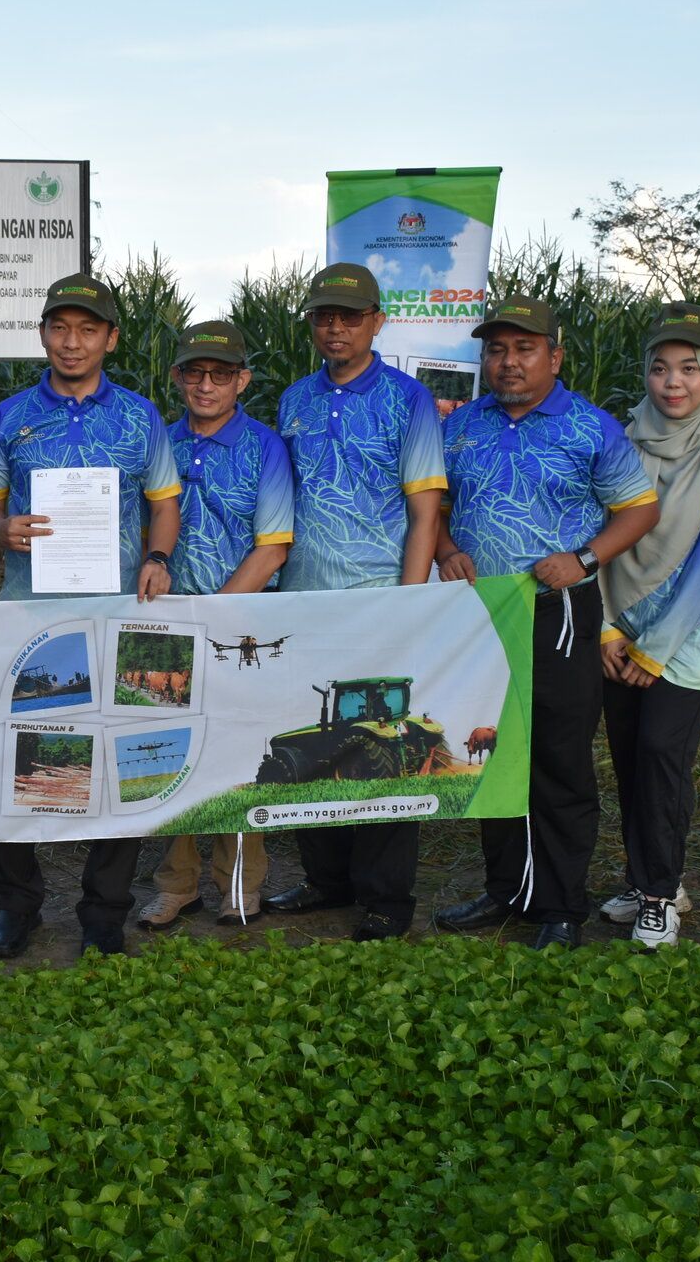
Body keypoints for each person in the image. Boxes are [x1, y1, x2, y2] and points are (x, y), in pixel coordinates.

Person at [430, 296, 660, 950]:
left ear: (554, 357)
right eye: (497, 350)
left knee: (558, 759)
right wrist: (447, 550)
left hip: (558, 612)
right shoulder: (463, 425)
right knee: (491, 751)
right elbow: (436, 504)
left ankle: (560, 904)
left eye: (524, 349)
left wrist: (584, 557)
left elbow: (640, 510)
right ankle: (506, 890)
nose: (509, 362)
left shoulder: (590, 427)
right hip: (482, 611)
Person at [0, 272, 182, 957]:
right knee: (20, 762)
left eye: (88, 329)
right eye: (60, 328)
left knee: (120, 762)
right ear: (42, 335)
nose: (72, 341)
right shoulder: (8, 416)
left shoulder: (140, 416)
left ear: (111, 339)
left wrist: (156, 556)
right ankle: (19, 906)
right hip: (28, 613)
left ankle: (102, 916)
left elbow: (165, 502)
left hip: (119, 611)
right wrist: (1, 531)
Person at [258, 262, 446, 943]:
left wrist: (407, 601)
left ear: (377, 321)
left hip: (377, 599)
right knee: (313, 740)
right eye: (323, 316)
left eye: (349, 316)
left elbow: (425, 510)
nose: (334, 327)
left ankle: (384, 898)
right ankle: (326, 879)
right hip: (305, 596)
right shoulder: (296, 399)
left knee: (379, 748)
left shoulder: (407, 401)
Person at [595, 303, 700, 947]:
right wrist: (608, 627)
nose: (673, 383)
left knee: (665, 755)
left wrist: (656, 650)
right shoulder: (620, 441)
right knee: (632, 759)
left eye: (689, 369)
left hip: (688, 639)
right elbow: (597, 536)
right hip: (621, 630)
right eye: (660, 369)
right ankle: (650, 877)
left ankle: (659, 896)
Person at [136, 321, 293, 930]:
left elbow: (273, 546)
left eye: (220, 374)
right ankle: (176, 884)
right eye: (194, 372)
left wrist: (214, 616)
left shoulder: (265, 448)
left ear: (242, 381)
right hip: (163, 618)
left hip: (241, 620)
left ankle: (239, 882)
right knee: (168, 753)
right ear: (176, 377)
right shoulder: (158, 441)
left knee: (238, 751)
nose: (206, 384)